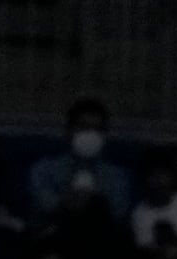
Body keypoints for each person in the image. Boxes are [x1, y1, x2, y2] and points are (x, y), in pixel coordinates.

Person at [29, 96, 132, 224]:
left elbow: (118, 212)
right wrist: (70, 201)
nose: (90, 135)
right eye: (83, 127)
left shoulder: (117, 176)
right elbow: (44, 206)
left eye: (97, 129)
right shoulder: (44, 169)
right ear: (69, 131)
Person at [130, 149, 177, 254]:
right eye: (153, 175)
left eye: (163, 174)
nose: (159, 180)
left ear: (172, 176)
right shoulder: (140, 214)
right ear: (144, 179)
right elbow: (146, 250)